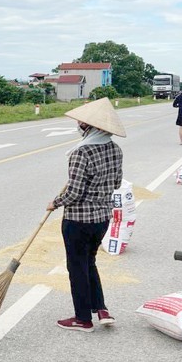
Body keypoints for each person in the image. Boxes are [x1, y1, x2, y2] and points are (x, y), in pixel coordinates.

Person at [46, 97, 124, 332]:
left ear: (88, 127)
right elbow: (117, 183)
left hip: (78, 221)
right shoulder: (115, 149)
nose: (78, 125)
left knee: (77, 267)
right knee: (89, 262)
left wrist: (55, 202)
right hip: (102, 219)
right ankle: (100, 308)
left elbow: (75, 193)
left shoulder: (81, 153)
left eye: (81, 122)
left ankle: (83, 319)